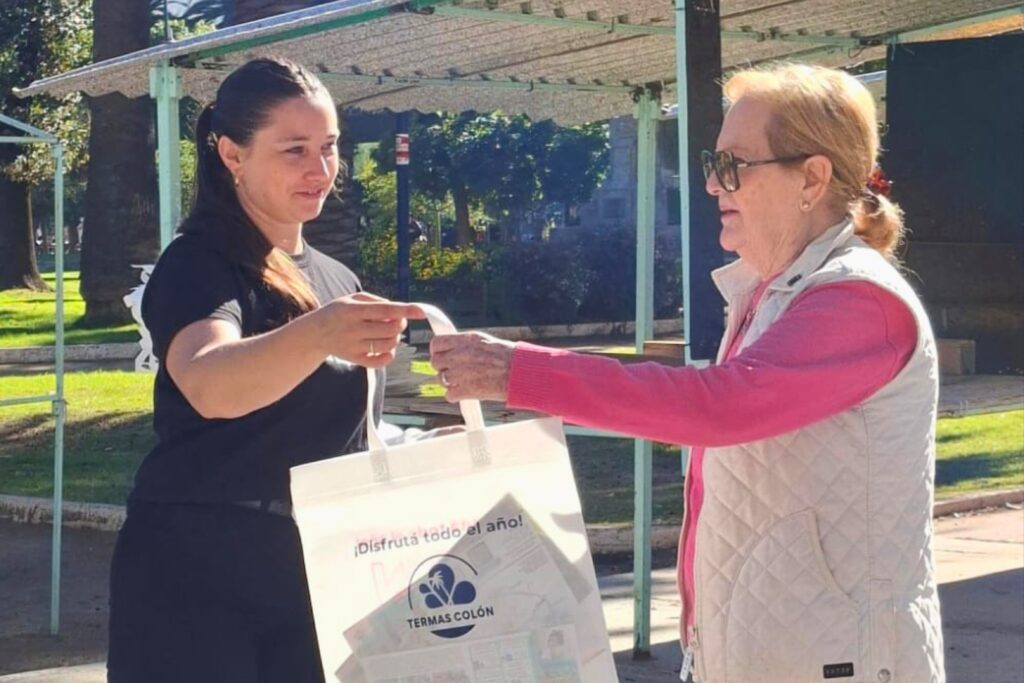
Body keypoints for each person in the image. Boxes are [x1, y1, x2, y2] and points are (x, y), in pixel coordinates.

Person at [431, 64, 944, 683]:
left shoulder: (858, 300)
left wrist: (517, 371)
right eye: (712, 163)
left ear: (812, 178)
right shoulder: (777, 291)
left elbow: (720, 407)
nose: (710, 184)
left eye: (733, 165)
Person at [106, 57, 422, 683]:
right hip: (198, 575)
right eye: (294, 149)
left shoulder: (338, 279)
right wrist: (319, 332)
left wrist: (421, 449)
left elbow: (337, 430)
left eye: (329, 147)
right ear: (232, 155)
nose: (320, 169)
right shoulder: (200, 262)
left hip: (317, 568)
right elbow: (209, 383)